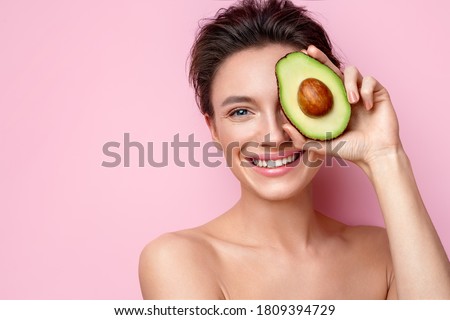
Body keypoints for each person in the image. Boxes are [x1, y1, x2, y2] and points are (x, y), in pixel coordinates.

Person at [139, 0, 450, 299]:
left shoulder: (388, 255)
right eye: (241, 112)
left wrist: (385, 155)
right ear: (214, 129)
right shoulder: (179, 260)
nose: (273, 136)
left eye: (289, 105)